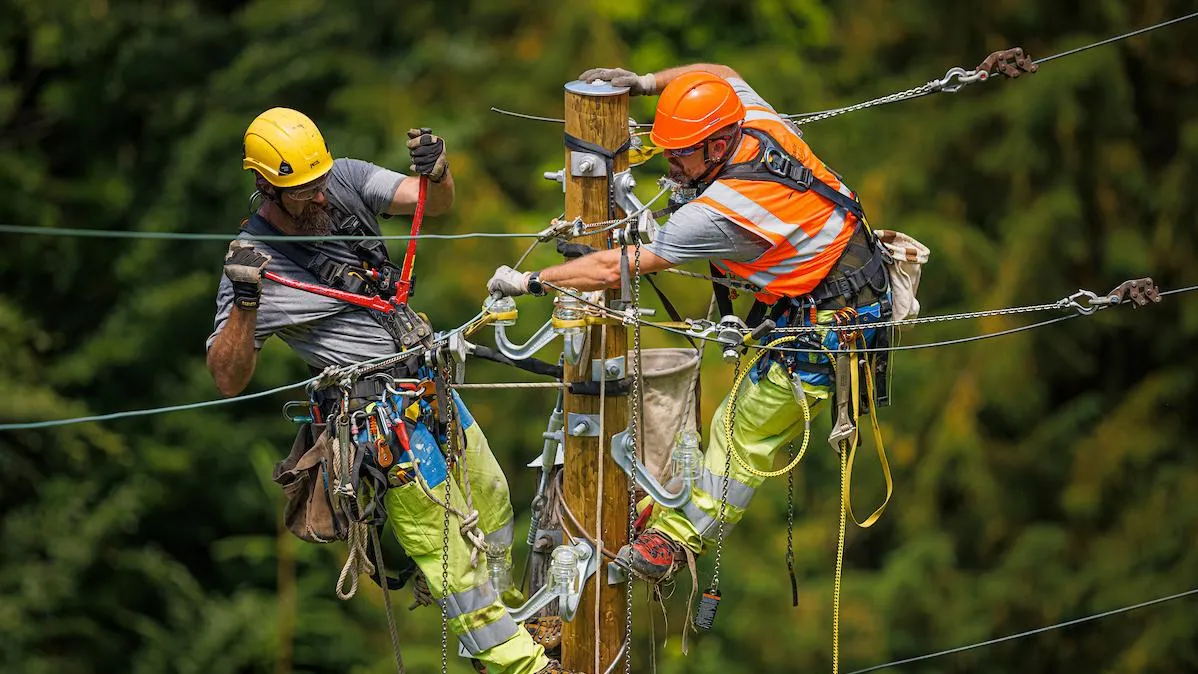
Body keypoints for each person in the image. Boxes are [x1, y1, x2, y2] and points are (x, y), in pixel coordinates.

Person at [487, 53, 1035, 583]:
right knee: (734, 422)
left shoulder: (724, 209)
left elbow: (617, 269)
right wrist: (647, 83)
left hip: (833, 320)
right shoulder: (748, 118)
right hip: (829, 289)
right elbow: (720, 73)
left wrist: (532, 281)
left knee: (741, 433)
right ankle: (678, 517)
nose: (671, 166)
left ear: (719, 144)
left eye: (681, 155)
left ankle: (679, 539)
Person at [207, 108, 573, 674]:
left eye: (318, 181)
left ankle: (501, 627)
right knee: (441, 539)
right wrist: (248, 302)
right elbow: (227, 377)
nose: (319, 197)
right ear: (265, 185)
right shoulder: (255, 260)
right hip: (378, 418)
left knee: (493, 496)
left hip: (426, 386)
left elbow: (434, 200)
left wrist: (439, 170)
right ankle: (516, 664)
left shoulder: (346, 179)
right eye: (301, 192)